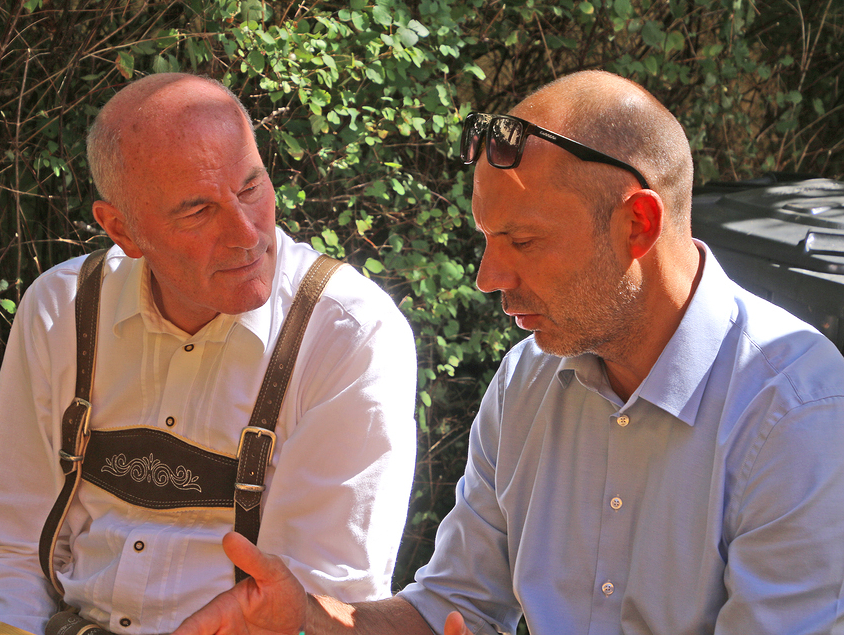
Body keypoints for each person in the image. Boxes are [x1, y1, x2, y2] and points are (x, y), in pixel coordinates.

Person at [171, 70, 844, 635]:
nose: (488, 277)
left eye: (522, 242)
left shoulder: (797, 413)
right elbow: (450, 606)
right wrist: (309, 619)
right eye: (487, 238)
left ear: (638, 225)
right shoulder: (529, 378)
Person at [0, 73, 417, 635]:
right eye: (199, 211)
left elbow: (319, 608)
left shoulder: (348, 336)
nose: (246, 233)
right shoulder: (63, 310)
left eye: (251, 188)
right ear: (121, 229)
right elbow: (9, 556)